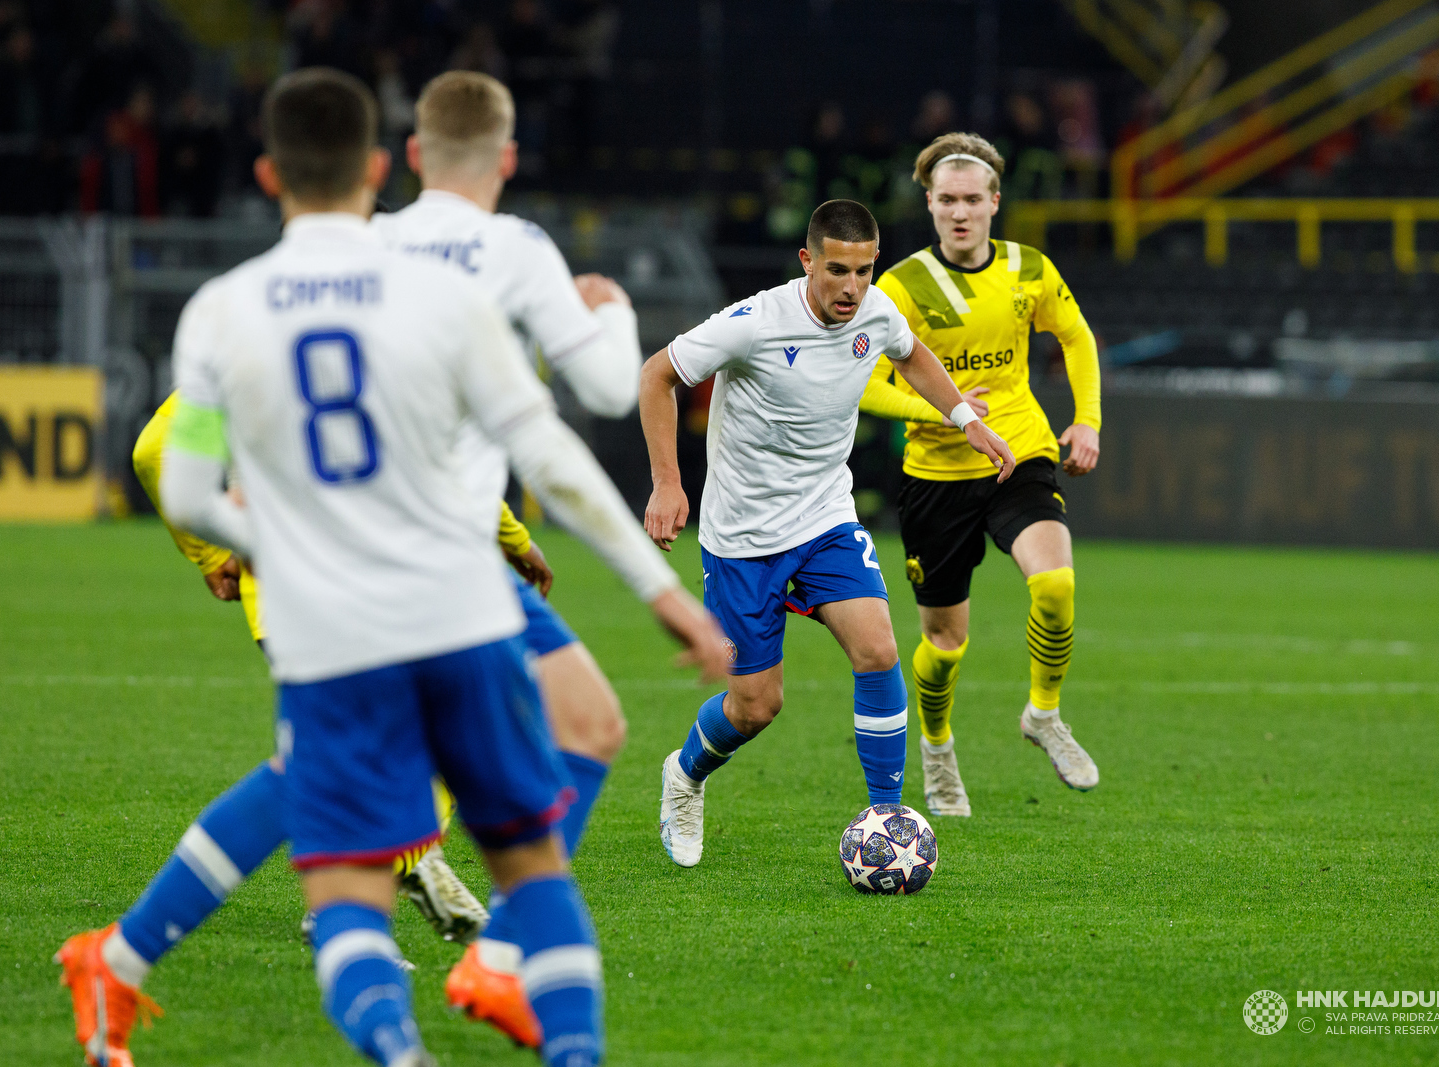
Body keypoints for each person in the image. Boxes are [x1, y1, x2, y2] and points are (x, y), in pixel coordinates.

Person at [55, 67, 726, 1067]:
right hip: (457, 595)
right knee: (532, 857)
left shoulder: (220, 311)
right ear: (376, 166)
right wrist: (662, 590)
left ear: (268, 172)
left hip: (330, 613)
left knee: (343, 872)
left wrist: (279, 542)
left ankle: (137, 960)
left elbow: (186, 485)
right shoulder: (446, 295)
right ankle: (543, 1017)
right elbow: (549, 447)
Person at [369, 69, 644, 1045]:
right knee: (582, 724)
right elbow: (609, 387)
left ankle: (486, 954)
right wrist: (608, 308)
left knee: (351, 756)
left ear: (410, 155)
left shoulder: (364, 243)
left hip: (360, 545)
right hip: (445, 552)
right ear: (509, 157)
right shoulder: (515, 247)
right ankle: (495, 958)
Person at [643, 198, 1015, 869]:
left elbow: (914, 353)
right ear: (807, 260)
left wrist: (964, 416)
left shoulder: (875, 310)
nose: (852, 287)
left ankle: (889, 820)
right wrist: (669, 482)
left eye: (865, 270)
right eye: (837, 269)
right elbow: (657, 375)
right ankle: (685, 774)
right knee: (756, 706)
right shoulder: (753, 322)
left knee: (877, 648)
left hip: (825, 520)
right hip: (744, 537)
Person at [858, 132, 1103, 816]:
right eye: (946, 201)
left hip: (1019, 450)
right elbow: (862, 383)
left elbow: (1077, 335)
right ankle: (936, 748)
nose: (959, 212)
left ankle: (1044, 714)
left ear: (995, 202)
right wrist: (940, 408)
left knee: (1054, 582)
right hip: (935, 475)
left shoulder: (1029, 268)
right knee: (945, 640)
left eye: (972, 199)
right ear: (929, 204)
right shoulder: (898, 288)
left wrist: (1087, 421)